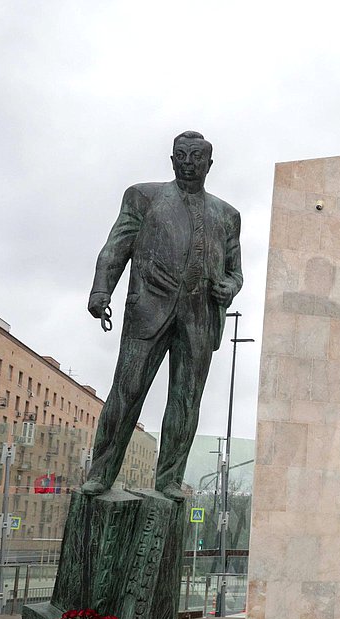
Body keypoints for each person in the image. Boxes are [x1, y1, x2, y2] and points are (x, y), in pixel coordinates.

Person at [83, 131, 243, 499]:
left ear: (209, 164)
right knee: (126, 392)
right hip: (148, 309)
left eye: (196, 157)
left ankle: (169, 479)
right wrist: (100, 289)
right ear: (172, 160)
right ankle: (100, 473)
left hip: (199, 317)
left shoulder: (227, 215)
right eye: (181, 156)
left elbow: (235, 271)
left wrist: (230, 287)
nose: (188, 163)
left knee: (186, 401)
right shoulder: (143, 197)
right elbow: (115, 246)